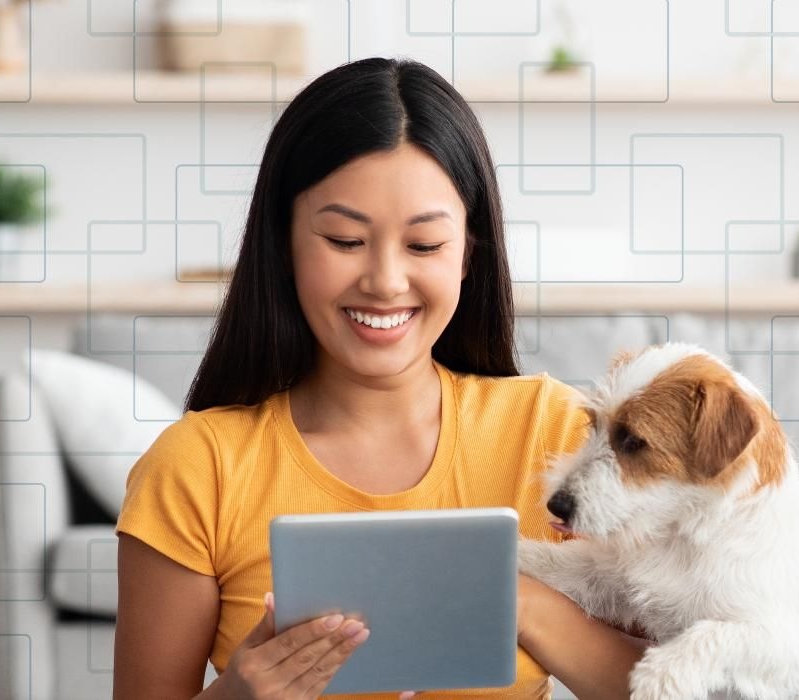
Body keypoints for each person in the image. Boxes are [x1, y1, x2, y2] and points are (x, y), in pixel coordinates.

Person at [113, 57, 649, 700]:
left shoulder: (558, 438)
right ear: (283, 243)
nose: (386, 281)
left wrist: (519, 601)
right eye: (344, 240)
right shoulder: (197, 467)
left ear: (468, 254)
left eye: (423, 246)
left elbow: (677, 683)